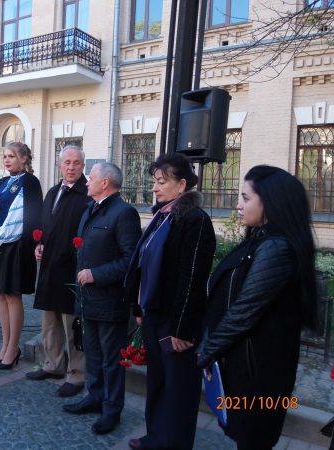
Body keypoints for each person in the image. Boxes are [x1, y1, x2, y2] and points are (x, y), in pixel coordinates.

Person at [197, 165, 317, 450]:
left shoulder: (276, 248)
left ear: (271, 203)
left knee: (254, 439)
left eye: (246, 198)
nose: (238, 205)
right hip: (248, 365)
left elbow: (245, 310)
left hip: (260, 373)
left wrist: (207, 351)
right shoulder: (260, 240)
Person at [126, 153, 216, 450]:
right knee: (159, 383)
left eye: (161, 181)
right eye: (155, 181)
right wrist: (139, 306)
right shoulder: (162, 215)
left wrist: (182, 328)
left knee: (179, 389)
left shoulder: (194, 220)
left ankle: (173, 443)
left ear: (182, 185)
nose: (155, 187)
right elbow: (144, 264)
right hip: (154, 314)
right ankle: (156, 437)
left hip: (175, 321)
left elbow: (191, 278)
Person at [62, 162, 141, 435]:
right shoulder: (90, 210)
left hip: (110, 300)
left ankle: (111, 410)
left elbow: (131, 260)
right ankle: (94, 397)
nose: (86, 182)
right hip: (88, 300)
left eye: (91, 178)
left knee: (110, 359)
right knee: (92, 355)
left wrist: (96, 274)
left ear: (105, 183)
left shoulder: (124, 213)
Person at [27, 145, 89, 397]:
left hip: (73, 270)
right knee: (49, 322)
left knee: (71, 325)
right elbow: (44, 225)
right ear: (59, 165)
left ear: (83, 167)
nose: (71, 167)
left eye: (76, 163)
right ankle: (53, 364)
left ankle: (76, 375)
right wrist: (38, 245)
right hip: (50, 267)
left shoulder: (88, 193)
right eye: (67, 163)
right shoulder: (53, 192)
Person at [0, 142, 43, 370]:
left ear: (24, 159)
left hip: (16, 246)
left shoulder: (30, 182)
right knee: (2, 295)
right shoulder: (3, 182)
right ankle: (5, 344)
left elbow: (27, 215)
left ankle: (13, 346)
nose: (7, 160)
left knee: (13, 295)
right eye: (5, 156)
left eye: (12, 156)